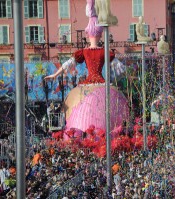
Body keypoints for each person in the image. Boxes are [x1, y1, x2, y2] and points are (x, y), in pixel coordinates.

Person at [44, 0, 128, 132]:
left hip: (89, 84)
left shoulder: (84, 52)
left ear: (87, 34)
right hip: (101, 83)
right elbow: (121, 69)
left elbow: (67, 64)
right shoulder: (104, 51)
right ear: (100, 34)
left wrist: (55, 75)